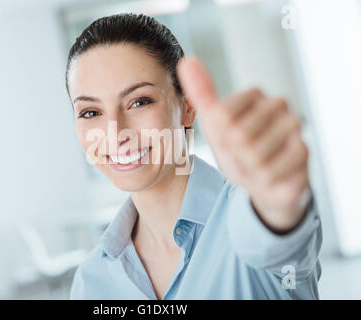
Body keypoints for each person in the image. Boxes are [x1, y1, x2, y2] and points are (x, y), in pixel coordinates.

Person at [65, 13, 322, 299]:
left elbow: (280, 247)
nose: (115, 133)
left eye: (139, 102)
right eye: (91, 112)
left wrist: (279, 207)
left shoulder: (252, 215)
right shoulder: (90, 282)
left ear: (187, 106)